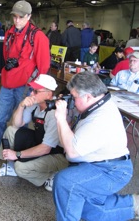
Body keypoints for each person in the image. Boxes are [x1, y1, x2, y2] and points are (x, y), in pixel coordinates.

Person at [53, 71, 136, 221]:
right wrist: (65, 119)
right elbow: (67, 142)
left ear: (88, 96)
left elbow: (71, 151)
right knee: (85, 209)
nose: (72, 100)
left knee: (66, 182)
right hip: (97, 164)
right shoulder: (96, 105)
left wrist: (60, 118)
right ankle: (134, 204)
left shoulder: (102, 117)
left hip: (111, 170)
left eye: (74, 97)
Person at [0, 0, 50, 162]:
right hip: (7, 83)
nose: (17, 20)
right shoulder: (10, 32)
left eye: (21, 17)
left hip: (25, 87)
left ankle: (17, 156)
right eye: (15, 17)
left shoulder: (38, 36)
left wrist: (35, 88)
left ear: (29, 16)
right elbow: (7, 56)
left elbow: (44, 66)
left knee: (21, 123)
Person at [0, 74, 68, 191]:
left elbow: (46, 149)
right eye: (32, 90)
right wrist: (21, 106)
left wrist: (17, 154)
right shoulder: (36, 105)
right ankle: (10, 167)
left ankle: (52, 177)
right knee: (11, 130)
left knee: (21, 168)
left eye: (36, 91)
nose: (31, 94)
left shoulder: (54, 113)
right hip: (40, 143)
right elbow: (16, 124)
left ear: (49, 94)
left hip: (56, 155)